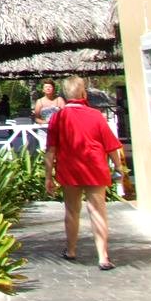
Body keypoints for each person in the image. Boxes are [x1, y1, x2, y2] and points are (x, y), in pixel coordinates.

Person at [45, 75, 128, 270]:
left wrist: (48, 176)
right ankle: (103, 257)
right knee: (98, 211)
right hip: (95, 168)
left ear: (65, 95)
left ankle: (71, 250)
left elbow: (51, 150)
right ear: (83, 92)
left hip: (69, 170)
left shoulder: (58, 117)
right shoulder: (95, 115)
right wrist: (118, 167)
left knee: (72, 211)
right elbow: (111, 146)